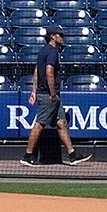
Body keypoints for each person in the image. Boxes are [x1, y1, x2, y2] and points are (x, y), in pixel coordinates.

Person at [24, 27, 74, 166]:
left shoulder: (43, 51)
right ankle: (27, 155)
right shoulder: (52, 52)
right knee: (40, 124)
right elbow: (48, 72)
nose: (62, 37)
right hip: (49, 94)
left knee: (61, 122)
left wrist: (34, 91)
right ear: (53, 36)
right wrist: (52, 92)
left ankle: (72, 154)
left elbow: (36, 71)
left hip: (47, 93)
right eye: (60, 35)